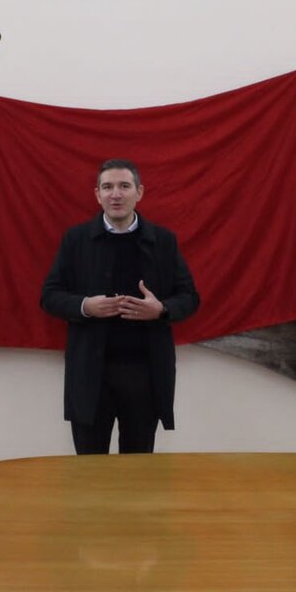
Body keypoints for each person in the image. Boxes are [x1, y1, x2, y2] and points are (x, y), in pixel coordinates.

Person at [40, 159, 199, 454]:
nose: (116, 194)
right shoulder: (76, 239)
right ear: (97, 195)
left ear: (139, 192)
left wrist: (161, 310)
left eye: (124, 186)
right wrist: (85, 306)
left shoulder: (164, 241)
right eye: (108, 187)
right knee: (90, 467)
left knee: (137, 470)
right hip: (90, 373)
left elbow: (189, 297)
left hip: (145, 374)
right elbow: (49, 296)